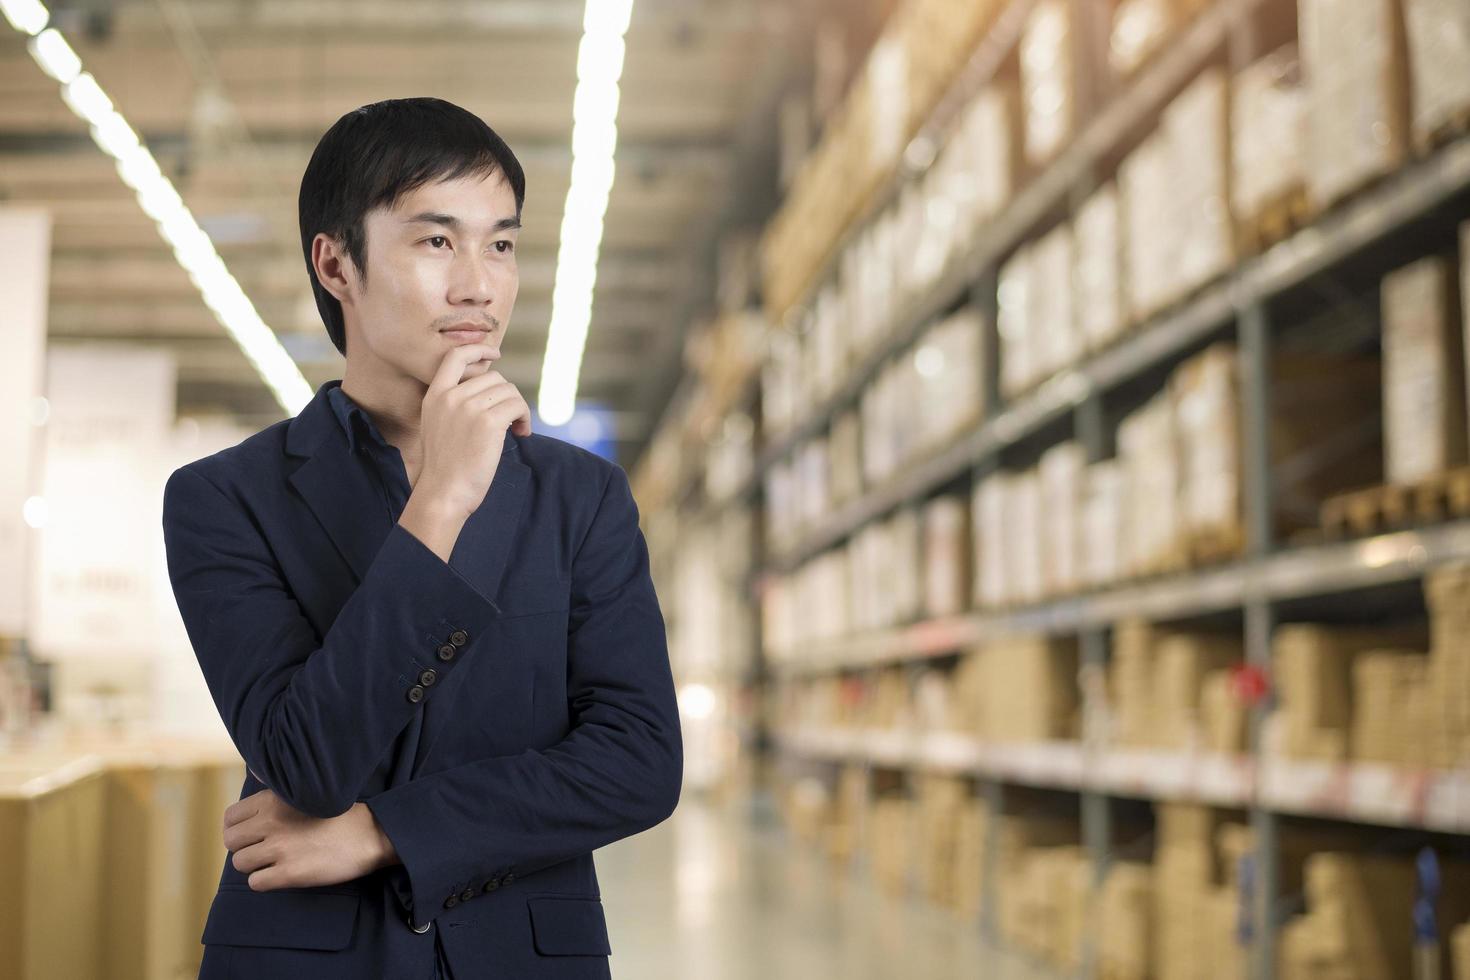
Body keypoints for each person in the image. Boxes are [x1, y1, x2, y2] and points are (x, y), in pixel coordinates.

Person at [161, 97, 683, 980]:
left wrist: (382, 832)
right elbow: (306, 762)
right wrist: (439, 499)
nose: (479, 283)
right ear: (336, 264)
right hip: (308, 958)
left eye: (502, 244)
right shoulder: (224, 500)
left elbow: (637, 762)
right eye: (437, 241)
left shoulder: (580, 498)